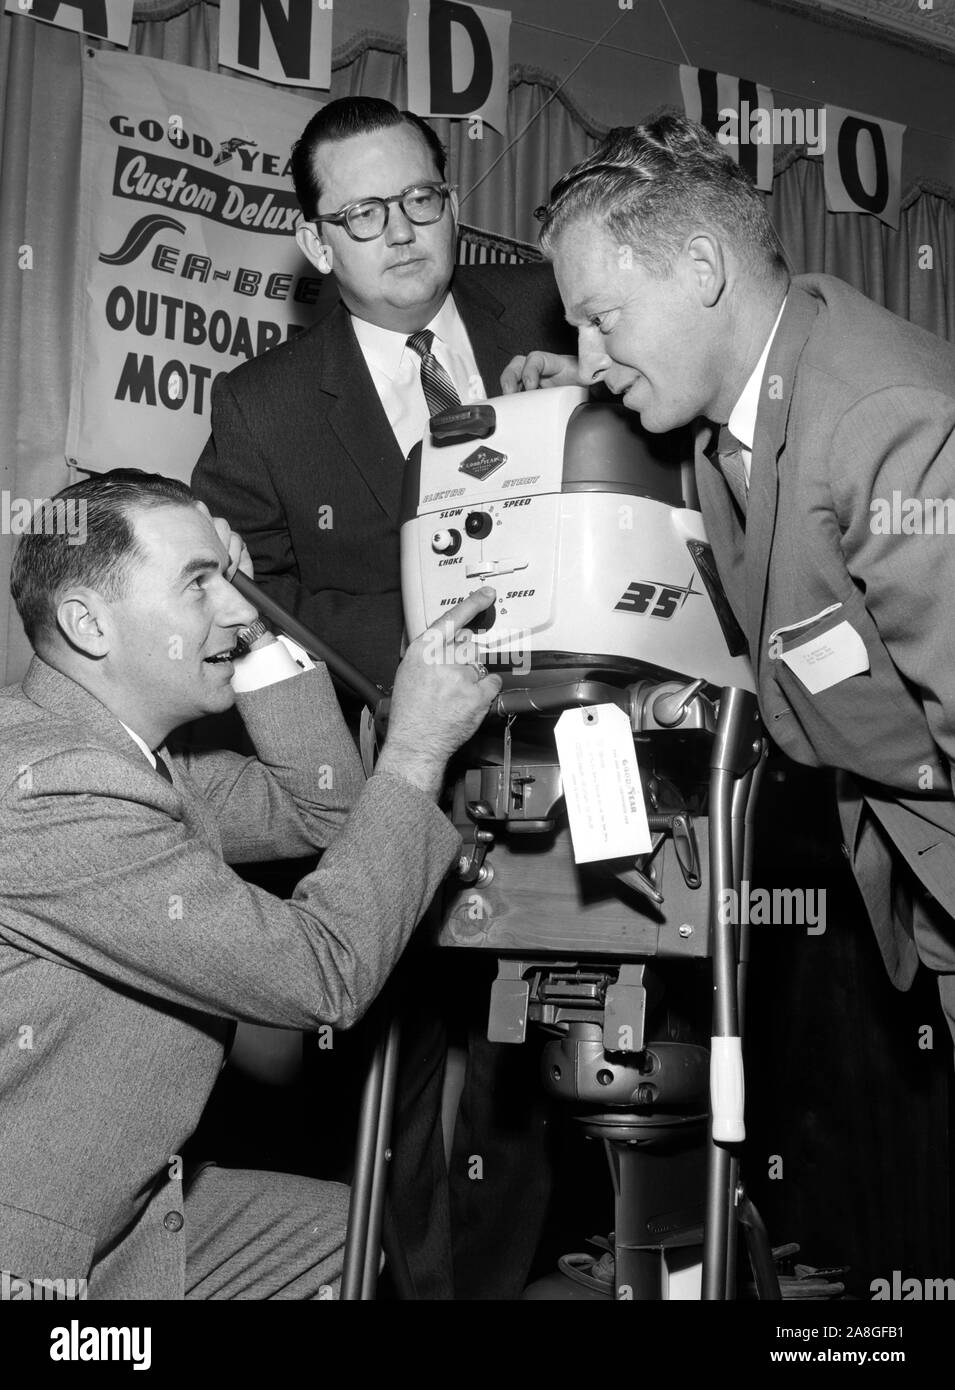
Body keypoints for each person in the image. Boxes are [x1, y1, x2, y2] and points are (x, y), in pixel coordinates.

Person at [192, 96, 573, 1300]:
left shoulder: (553, 315)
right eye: (363, 213)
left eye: (422, 199)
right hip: (389, 773)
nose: (402, 232)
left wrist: (593, 401)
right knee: (403, 1087)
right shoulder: (258, 407)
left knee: (545, 1059)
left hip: (580, 757)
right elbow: (263, 621)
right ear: (316, 243)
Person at [502, 111, 955, 1048]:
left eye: (600, 317)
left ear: (702, 269)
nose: (589, 353)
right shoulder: (726, 419)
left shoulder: (886, 423)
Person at [0, 470, 499, 1300]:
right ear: (88, 624)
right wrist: (415, 750)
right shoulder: (59, 787)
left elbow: (326, 809)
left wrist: (252, 635)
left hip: (112, 1211)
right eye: (199, 586)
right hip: (32, 1243)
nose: (239, 607)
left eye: (225, 578)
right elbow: (319, 975)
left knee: (341, 1238)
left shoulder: (123, 750)